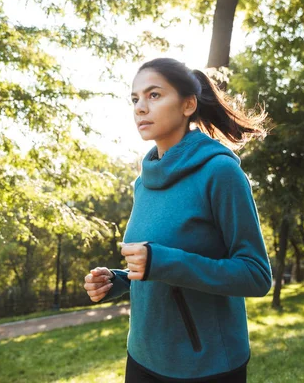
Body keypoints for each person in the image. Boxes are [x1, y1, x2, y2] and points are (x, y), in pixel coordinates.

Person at [84, 58, 272, 382]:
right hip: (142, 358)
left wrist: (163, 262)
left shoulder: (220, 173)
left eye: (154, 95)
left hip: (206, 366)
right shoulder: (143, 183)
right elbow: (154, 265)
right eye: (135, 99)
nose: (140, 108)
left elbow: (256, 275)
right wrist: (119, 279)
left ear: (188, 105)